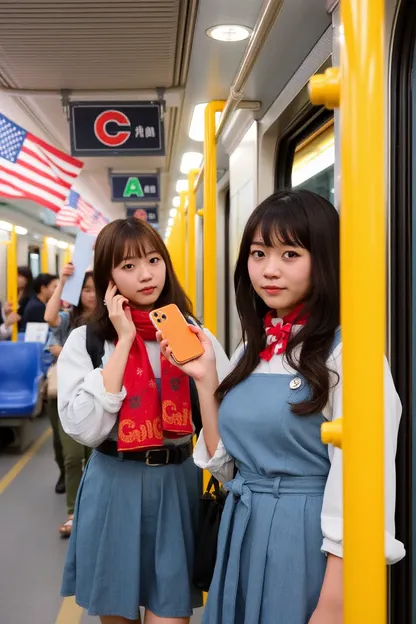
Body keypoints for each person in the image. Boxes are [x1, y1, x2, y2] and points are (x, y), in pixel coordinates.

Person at [158, 190, 405, 624]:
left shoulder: (351, 356)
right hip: (244, 532)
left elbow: (365, 485)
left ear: (324, 260)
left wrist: (334, 603)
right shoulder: (253, 348)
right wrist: (205, 380)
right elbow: (226, 465)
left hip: (309, 547)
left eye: (290, 254)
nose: (269, 270)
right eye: (258, 253)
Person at [57, 217, 229, 624]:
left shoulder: (195, 335)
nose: (146, 274)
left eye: (153, 260)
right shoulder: (89, 340)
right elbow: (84, 429)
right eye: (128, 266)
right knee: (117, 612)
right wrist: (125, 343)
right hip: (114, 481)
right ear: (108, 278)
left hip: (177, 483)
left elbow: (221, 413)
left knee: (170, 612)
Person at [44, 264, 96, 535]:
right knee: (73, 456)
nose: (91, 295)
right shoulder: (68, 319)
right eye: (86, 290)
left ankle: (91, 505)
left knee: (94, 456)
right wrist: (63, 282)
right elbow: (49, 316)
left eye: (95, 289)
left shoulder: (108, 320)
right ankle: (73, 512)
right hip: (66, 394)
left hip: (96, 395)